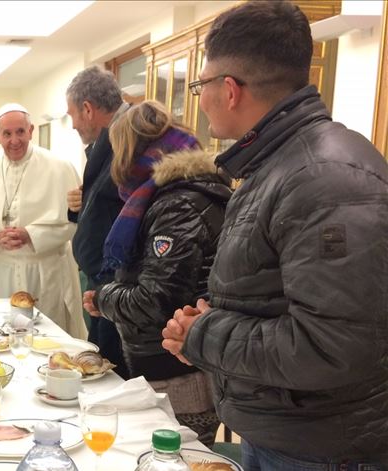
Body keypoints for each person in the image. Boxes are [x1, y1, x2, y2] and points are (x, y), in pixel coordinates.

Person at [160, 1, 388, 468]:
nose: (199, 99)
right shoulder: (279, 165)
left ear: (229, 90)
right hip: (289, 430)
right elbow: (275, 296)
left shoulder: (322, 178)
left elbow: (330, 347)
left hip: (320, 448)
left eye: (200, 85)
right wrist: (209, 322)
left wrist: (203, 334)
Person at [82, 100, 229, 445]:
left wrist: (104, 298)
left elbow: (156, 300)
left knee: (175, 457)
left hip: (179, 372)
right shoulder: (184, 193)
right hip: (181, 361)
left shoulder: (176, 205)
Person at [0, 103, 87, 339]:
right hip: (2, 269)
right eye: (7, 134)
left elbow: (73, 223)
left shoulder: (60, 168)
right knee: (3, 336)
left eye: (20, 132)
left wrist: (32, 234)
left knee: (48, 338)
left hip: (45, 269)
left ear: (31, 131)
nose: (14, 140)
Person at [65, 66, 130, 378]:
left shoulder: (130, 141)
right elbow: (109, 205)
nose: (74, 124)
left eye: (72, 115)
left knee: (117, 384)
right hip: (106, 289)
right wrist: (82, 207)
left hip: (121, 291)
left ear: (87, 109)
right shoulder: (110, 142)